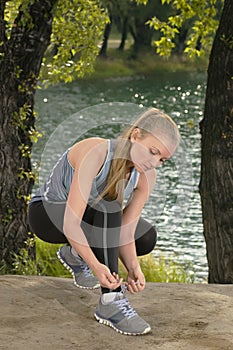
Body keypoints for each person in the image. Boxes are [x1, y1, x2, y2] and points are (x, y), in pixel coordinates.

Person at [28, 107, 180, 336]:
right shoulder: (96, 152)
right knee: (109, 205)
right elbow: (71, 222)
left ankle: (76, 253)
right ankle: (111, 300)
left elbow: (125, 232)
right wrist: (97, 266)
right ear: (135, 135)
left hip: (87, 221)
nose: (155, 162)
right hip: (47, 215)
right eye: (153, 151)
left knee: (145, 236)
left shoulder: (147, 175)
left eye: (162, 159)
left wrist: (133, 268)